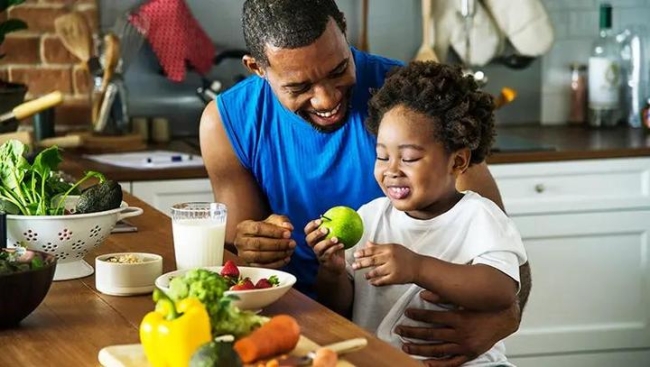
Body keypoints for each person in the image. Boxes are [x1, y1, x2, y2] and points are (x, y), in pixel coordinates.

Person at [199, 0, 532, 364]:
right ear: (256, 68)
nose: (326, 99)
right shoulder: (227, 122)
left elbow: (508, 257)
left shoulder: (412, 103)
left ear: (344, 28)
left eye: (339, 69)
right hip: (299, 334)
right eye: (299, 86)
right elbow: (236, 267)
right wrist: (254, 245)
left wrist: (502, 321)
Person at [305, 61, 527, 366]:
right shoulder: (370, 217)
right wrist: (331, 271)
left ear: (457, 162)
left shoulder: (478, 216)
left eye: (409, 158)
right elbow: (341, 307)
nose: (391, 170)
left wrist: (417, 267)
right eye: (382, 156)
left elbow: (501, 291)